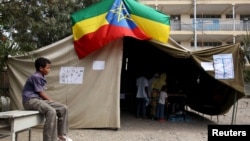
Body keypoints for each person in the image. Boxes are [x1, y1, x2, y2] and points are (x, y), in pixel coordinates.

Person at [22, 57, 73, 141]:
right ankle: (49, 139)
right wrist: (51, 101)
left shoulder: (42, 76)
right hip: (29, 101)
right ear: (41, 68)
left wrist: (50, 102)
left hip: (37, 100)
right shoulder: (36, 77)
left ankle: (62, 135)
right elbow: (40, 93)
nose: (49, 70)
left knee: (63, 108)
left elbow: (40, 95)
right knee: (51, 111)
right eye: (48, 68)